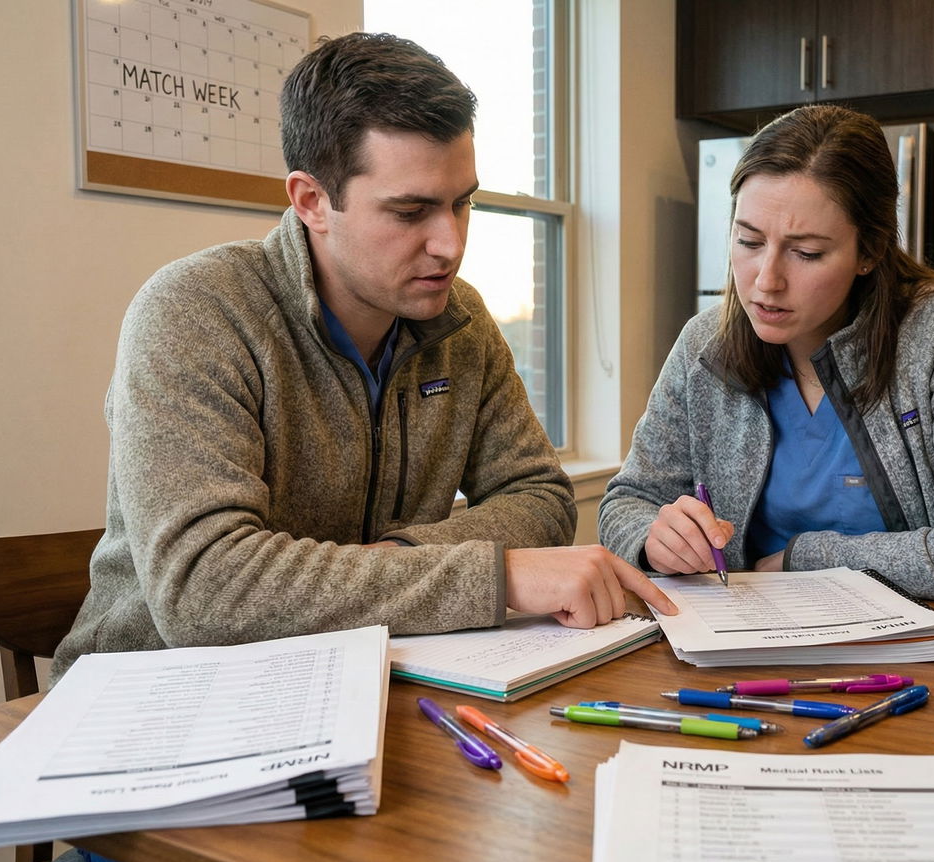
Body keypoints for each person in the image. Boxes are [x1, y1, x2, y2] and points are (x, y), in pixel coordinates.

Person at [51, 32, 674, 686]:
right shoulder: (196, 311)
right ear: (312, 201)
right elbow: (205, 591)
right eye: (411, 211)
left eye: (462, 202)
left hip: (359, 679)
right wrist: (495, 575)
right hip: (153, 698)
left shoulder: (461, 320)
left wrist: (399, 558)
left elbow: (541, 499)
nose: (450, 243)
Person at [598, 104, 934, 606]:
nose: (766, 281)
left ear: (869, 251)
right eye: (748, 241)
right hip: (743, 636)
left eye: (806, 253)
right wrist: (655, 539)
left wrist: (803, 559)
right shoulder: (704, 344)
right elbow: (627, 502)